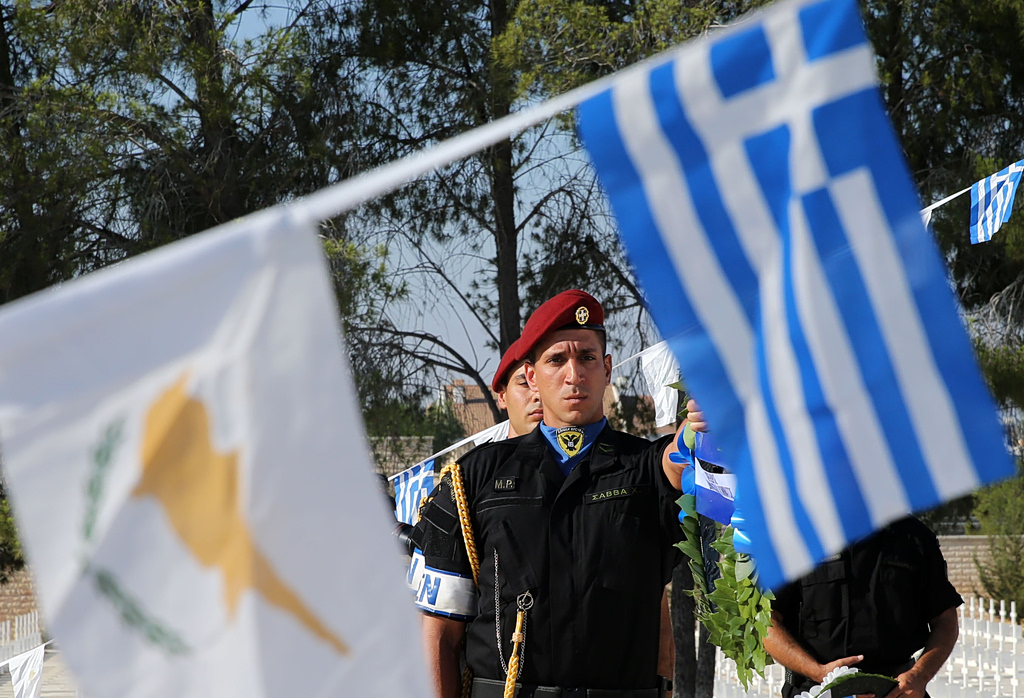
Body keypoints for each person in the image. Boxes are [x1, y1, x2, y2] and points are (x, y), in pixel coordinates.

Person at [409, 289, 704, 698]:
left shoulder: (646, 467)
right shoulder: (472, 478)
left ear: (607, 368)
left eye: (586, 358)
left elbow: (681, 457)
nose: (573, 374)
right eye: (556, 360)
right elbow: (439, 632)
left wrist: (700, 428)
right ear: (531, 376)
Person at [763, 516, 962, 698]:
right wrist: (817, 671)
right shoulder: (797, 537)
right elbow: (765, 621)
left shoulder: (913, 536)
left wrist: (919, 675)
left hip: (897, 691)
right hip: (815, 690)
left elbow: (945, 619)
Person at [491, 338, 543, 438]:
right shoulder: (485, 454)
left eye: (546, 384)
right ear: (502, 396)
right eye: (525, 384)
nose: (539, 396)